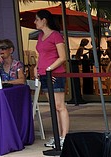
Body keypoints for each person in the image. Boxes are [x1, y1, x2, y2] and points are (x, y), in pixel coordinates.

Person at [34, 9, 69, 148]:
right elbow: (41, 55)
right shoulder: (40, 36)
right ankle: (58, 135)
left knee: (60, 106)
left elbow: (62, 57)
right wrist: (36, 67)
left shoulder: (56, 36)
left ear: (44, 20)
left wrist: (50, 68)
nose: (35, 22)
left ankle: (64, 136)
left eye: (37, 19)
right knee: (53, 107)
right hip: (44, 73)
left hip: (55, 74)